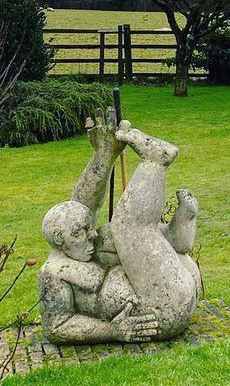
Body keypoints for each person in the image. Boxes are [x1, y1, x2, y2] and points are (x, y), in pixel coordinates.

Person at [38, 110, 200, 344]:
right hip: (160, 311)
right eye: (80, 233)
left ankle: (177, 235)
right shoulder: (53, 272)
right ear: (59, 238)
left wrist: (105, 152)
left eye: (87, 228)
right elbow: (56, 326)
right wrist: (112, 331)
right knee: (126, 227)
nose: (91, 234)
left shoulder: (77, 243)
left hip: (172, 283)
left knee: (109, 237)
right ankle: (154, 162)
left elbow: (82, 204)